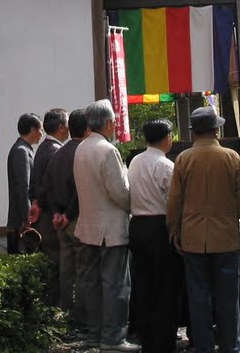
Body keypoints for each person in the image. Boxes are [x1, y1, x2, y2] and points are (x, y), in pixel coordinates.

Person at [167, 106, 240, 353]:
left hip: (193, 239)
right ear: (216, 130)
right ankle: (229, 345)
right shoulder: (231, 157)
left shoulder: (183, 159)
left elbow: (174, 200)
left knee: (198, 297)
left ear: (194, 132)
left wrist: (173, 230)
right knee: (228, 297)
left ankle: (203, 346)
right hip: (226, 237)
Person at [73, 99, 139, 353]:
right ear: (109, 122)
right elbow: (120, 192)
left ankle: (94, 335)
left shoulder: (81, 148)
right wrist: (133, 205)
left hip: (87, 226)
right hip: (110, 229)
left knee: (91, 285)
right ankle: (112, 338)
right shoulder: (107, 150)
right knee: (115, 285)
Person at [127, 119, 184, 353]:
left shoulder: (136, 161)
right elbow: (174, 201)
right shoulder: (166, 165)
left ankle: (145, 333)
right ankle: (164, 338)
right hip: (158, 226)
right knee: (166, 284)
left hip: (138, 225)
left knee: (143, 282)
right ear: (167, 137)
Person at [44, 108, 89, 334]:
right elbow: (80, 190)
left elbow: (48, 187)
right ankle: (80, 319)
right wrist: (68, 215)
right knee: (82, 270)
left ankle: (65, 312)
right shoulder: (82, 153)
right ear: (88, 128)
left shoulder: (58, 153)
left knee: (66, 268)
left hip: (59, 220)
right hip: (77, 219)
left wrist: (56, 214)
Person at [30, 108, 69, 303]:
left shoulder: (43, 148)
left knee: (50, 263)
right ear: (62, 127)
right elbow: (51, 186)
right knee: (56, 265)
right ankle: (55, 308)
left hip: (42, 214)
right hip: (50, 217)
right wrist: (57, 212)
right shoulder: (55, 150)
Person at [6, 112, 43, 255]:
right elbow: (23, 187)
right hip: (19, 222)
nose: (41, 133)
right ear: (33, 129)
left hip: (20, 219)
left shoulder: (24, 149)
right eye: (40, 129)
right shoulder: (21, 151)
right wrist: (26, 218)